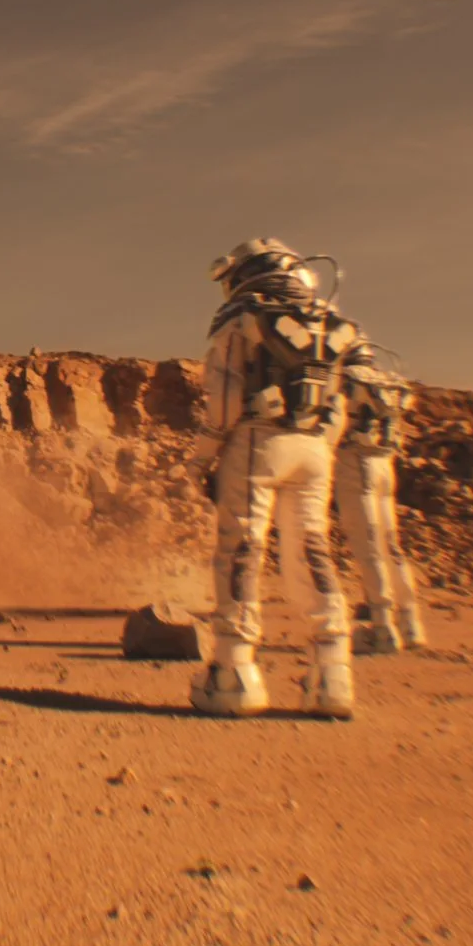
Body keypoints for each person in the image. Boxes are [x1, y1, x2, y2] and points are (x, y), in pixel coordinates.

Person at [190, 238, 364, 719]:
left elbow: (222, 399)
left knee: (241, 548)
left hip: (256, 443)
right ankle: (332, 672)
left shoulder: (241, 320)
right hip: (313, 448)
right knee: (309, 548)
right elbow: (338, 406)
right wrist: (316, 447)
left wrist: (204, 457)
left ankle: (233, 673)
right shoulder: (331, 325)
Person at [336, 341, 430, 654]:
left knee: (368, 548)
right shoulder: (393, 384)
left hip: (356, 463)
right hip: (385, 466)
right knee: (391, 547)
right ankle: (410, 623)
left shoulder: (345, 379)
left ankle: (382, 627)